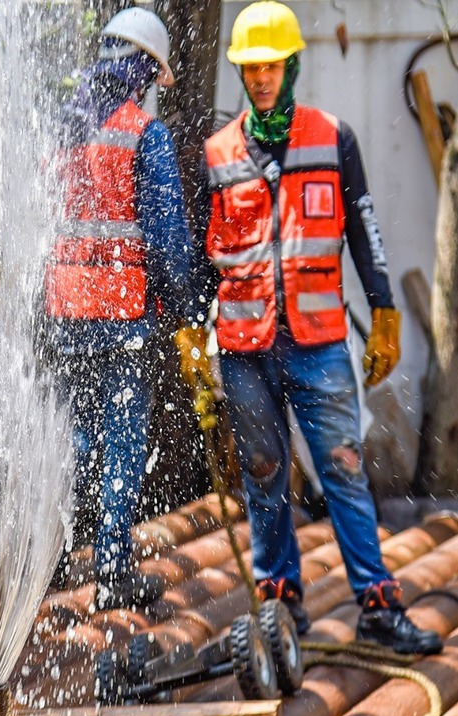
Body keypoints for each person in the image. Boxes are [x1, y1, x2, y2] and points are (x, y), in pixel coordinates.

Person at [182, 1, 441, 654]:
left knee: (343, 469)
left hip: (318, 344)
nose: (261, 77)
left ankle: (378, 607)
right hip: (243, 350)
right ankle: (278, 607)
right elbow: (194, 255)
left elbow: (364, 231)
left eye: (271, 65)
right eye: (250, 67)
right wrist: (191, 330)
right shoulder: (216, 154)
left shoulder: (333, 138)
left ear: (291, 63)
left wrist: (382, 311)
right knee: (263, 476)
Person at [40, 7, 205, 611]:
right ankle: (112, 571)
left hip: (65, 314)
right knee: (123, 444)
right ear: (144, 70)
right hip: (123, 317)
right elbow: (168, 242)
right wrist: (187, 319)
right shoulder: (143, 133)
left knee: (75, 441)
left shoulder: (62, 126)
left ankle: (47, 559)